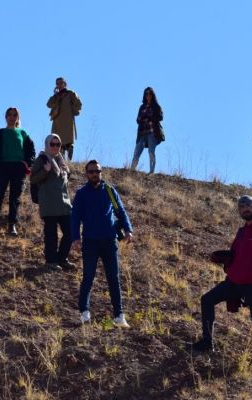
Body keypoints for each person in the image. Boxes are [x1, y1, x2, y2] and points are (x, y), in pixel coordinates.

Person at [189, 195, 252, 371]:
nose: (244, 209)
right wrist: (226, 261)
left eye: (247, 205)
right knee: (207, 300)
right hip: (234, 282)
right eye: (241, 207)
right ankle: (207, 342)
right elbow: (234, 254)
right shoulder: (242, 231)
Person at [71, 160, 133, 328]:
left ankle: (119, 316)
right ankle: (84, 312)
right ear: (86, 174)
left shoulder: (109, 190)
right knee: (88, 278)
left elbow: (121, 211)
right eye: (91, 171)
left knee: (113, 279)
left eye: (97, 171)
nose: (94, 174)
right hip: (90, 242)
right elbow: (75, 217)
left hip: (109, 241)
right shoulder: (82, 193)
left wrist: (128, 229)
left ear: (101, 172)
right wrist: (75, 238)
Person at [0, 107, 35, 235]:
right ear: (6, 117)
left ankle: (12, 225)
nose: (12, 117)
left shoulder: (23, 133)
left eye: (15, 115)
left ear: (18, 118)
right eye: (10, 115)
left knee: (15, 197)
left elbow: (31, 151)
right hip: (3, 167)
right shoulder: (1, 132)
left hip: (19, 169)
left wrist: (28, 163)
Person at [30, 134, 74, 271]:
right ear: (47, 144)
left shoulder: (60, 160)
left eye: (58, 144)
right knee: (51, 235)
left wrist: (67, 171)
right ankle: (51, 261)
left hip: (64, 203)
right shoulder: (42, 159)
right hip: (48, 202)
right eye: (52, 144)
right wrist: (45, 170)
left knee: (71, 231)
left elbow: (63, 180)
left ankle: (62, 259)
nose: (55, 147)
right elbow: (33, 179)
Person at [46, 77, 82, 161]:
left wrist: (71, 111)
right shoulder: (56, 96)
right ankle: (60, 161)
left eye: (61, 83)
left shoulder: (70, 93)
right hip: (57, 121)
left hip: (68, 121)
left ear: (65, 84)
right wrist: (55, 94)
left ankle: (69, 162)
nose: (59, 85)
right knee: (57, 142)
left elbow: (78, 104)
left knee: (69, 142)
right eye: (57, 84)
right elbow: (48, 104)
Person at [130, 87, 164, 174]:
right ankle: (131, 171)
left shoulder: (156, 106)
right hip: (142, 132)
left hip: (152, 132)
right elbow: (138, 119)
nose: (148, 95)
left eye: (150, 93)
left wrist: (151, 117)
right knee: (137, 152)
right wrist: (143, 118)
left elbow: (160, 117)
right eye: (146, 94)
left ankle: (151, 171)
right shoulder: (142, 107)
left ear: (153, 95)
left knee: (151, 152)